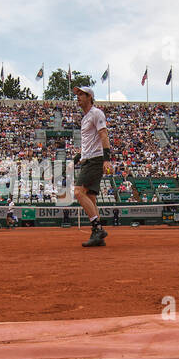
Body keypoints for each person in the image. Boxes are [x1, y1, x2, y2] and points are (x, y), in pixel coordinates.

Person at [71, 85, 111, 247]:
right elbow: (89, 142)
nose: (78, 97)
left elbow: (103, 135)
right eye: (77, 94)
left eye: (82, 94)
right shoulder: (85, 118)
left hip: (95, 160)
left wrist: (107, 159)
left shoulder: (96, 113)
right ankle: (98, 236)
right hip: (88, 159)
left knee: (78, 192)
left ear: (90, 97)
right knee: (91, 197)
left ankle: (97, 228)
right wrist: (78, 157)